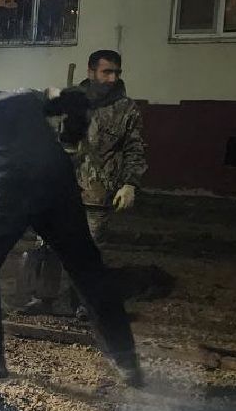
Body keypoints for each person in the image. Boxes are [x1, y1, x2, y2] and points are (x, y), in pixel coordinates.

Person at [0, 80, 143, 386]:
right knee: (88, 270)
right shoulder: (23, 98)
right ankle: (127, 360)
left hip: (5, 198)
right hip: (57, 188)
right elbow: (76, 98)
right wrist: (71, 139)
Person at [23, 49, 148, 315]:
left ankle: (84, 304)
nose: (112, 78)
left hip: (97, 192)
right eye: (106, 72)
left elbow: (135, 149)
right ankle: (42, 298)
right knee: (47, 245)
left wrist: (130, 184)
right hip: (58, 189)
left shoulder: (126, 109)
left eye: (116, 72)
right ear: (91, 72)